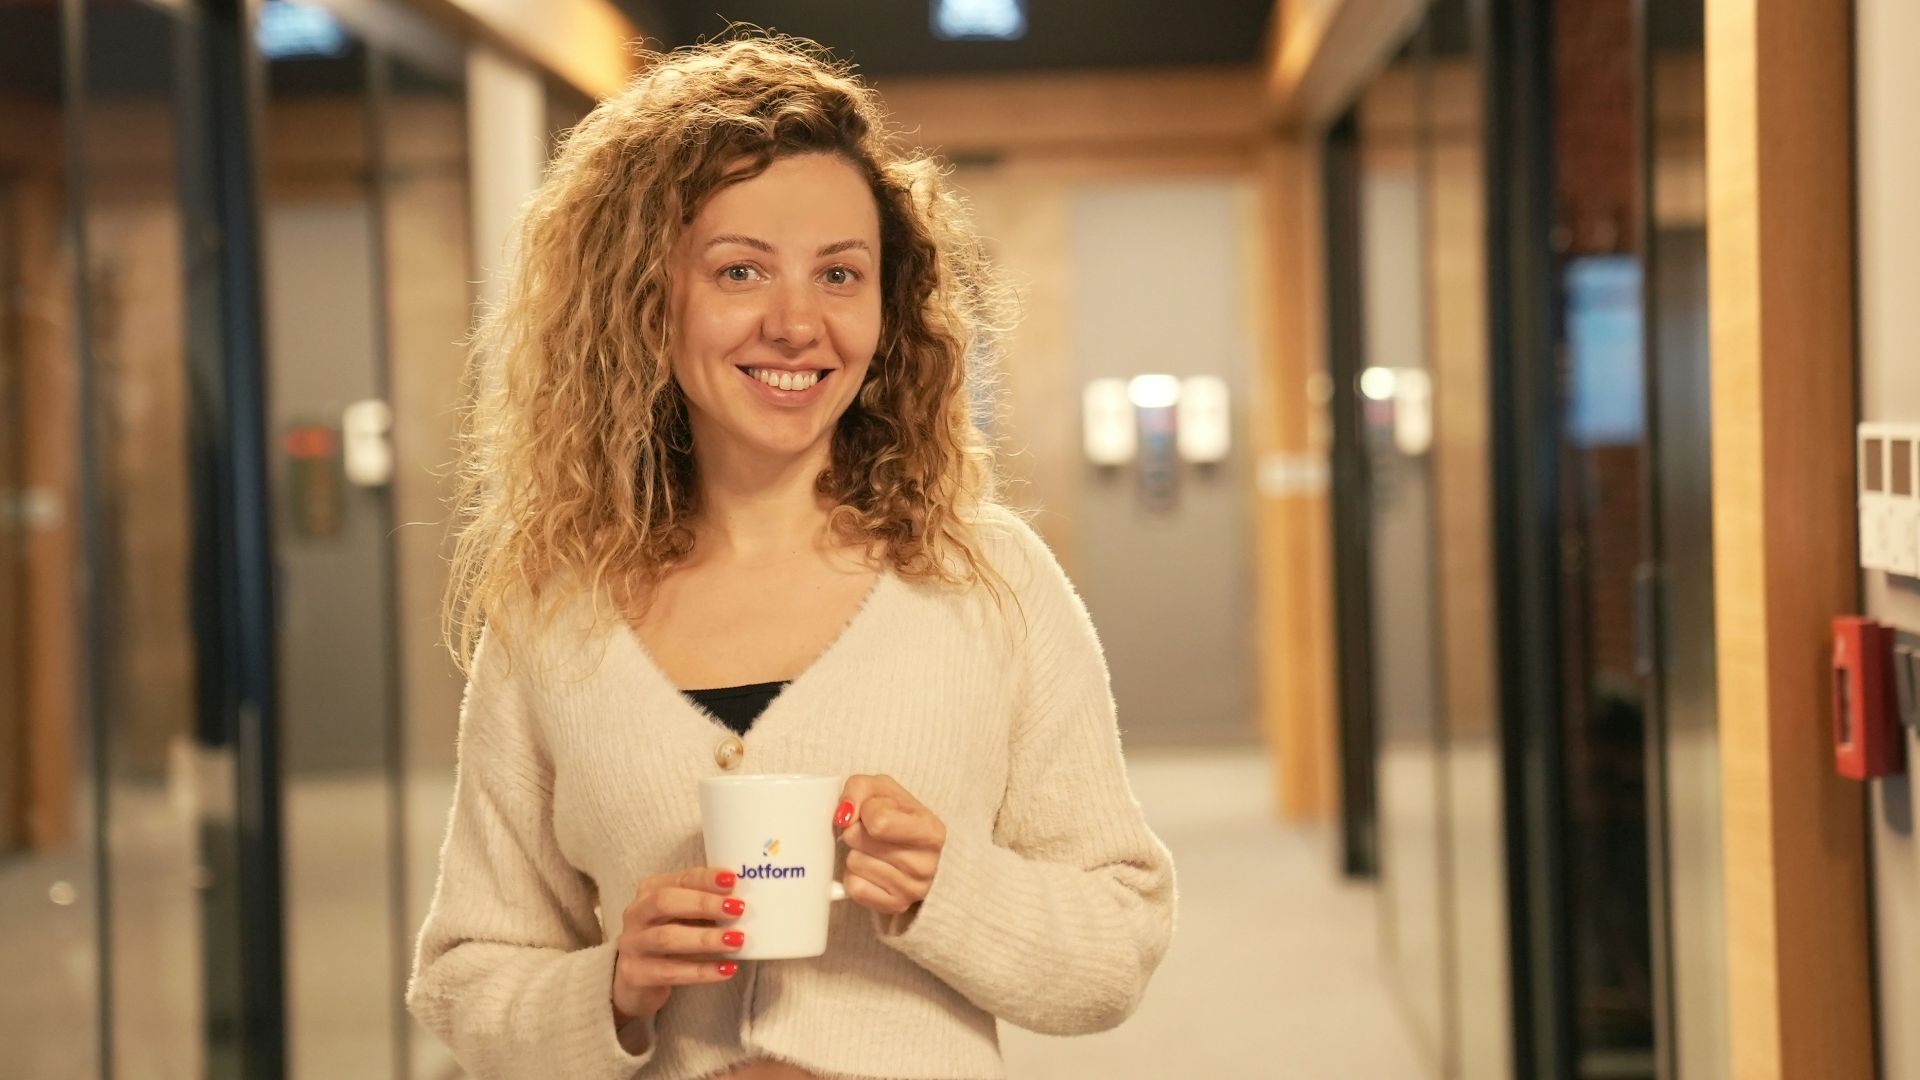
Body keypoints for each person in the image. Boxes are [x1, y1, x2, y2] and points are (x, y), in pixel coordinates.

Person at [406, 33, 1176, 1080]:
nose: (797, 323)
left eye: (841, 274)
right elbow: (466, 976)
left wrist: (948, 887)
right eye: (740, 271)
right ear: (647, 300)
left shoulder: (987, 585)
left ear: (886, 307)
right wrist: (612, 991)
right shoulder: (553, 617)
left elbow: (1115, 942)